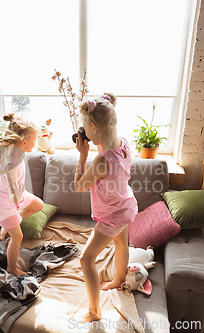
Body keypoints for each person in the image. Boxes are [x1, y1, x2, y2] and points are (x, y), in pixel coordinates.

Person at [73, 93, 138, 322]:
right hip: (126, 207)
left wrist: (82, 156)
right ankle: (119, 280)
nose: (84, 132)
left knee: (86, 260)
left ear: (93, 127)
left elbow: (79, 186)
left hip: (111, 216)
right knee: (121, 245)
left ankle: (94, 311)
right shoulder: (124, 144)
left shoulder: (100, 161)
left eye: (84, 127)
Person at [0, 113, 44, 277]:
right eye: (35, 139)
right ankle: (12, 267)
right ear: (24, 142)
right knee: (18, 237)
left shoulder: (16, 151)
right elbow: (13, 199)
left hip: (16, 195)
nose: (36, 141)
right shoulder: (11, 166)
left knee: (38, 205)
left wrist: (19, 194)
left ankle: (7, 225)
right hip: (6, 203)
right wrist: (17, 194)